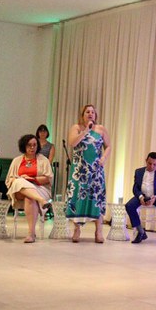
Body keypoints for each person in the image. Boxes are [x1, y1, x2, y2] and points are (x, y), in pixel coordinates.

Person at [66, 104, 111, 243]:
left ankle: (98, 231)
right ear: (83, 115)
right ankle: (77, 229)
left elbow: (108, 146)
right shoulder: (76, 128)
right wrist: (85, 131)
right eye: (87, 112)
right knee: (78, 197)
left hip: (95, 170)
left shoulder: (101, 129)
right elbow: (72, 143)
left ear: (95, 115)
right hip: (79, 170)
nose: (90, 114)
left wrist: (103, 158)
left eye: (93, 112)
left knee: (96, 198)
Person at [5, 134, 53, 243]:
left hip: (39, 188)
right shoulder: (17, 160)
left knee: (29, 198)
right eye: (29, 145)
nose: (32, 148)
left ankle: (31, 234)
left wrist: (32, 179)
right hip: (19, 190)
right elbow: (10, 179)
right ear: (24, 146)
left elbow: (48, 179)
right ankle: (41, 201)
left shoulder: (43, 160)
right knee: (19, 181)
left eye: (34, 145)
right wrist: (23, 179)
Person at [126, 152, 156, 246]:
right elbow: (135, 188)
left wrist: (154, 198)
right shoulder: (139, 171)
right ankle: (140, 231)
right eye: (149, 163)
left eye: (155, 164)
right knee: (129, 205)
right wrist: (141, 197)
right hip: (142, 195)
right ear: (146, 161)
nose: (152, 166)